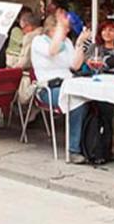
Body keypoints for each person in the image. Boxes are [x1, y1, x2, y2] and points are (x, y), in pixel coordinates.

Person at [30, 10, 89, 163]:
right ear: (51, 29)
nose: (67, 31)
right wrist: (61, 29)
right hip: (48, 88)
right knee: (75, 101)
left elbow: (75, 66)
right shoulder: (39, 41)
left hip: (68, 83)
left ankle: (90, 146)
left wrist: (79, 44)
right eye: (63, 28)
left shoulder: (67, 42)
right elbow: (52, 51)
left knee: (90, 98)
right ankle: (73, 149)